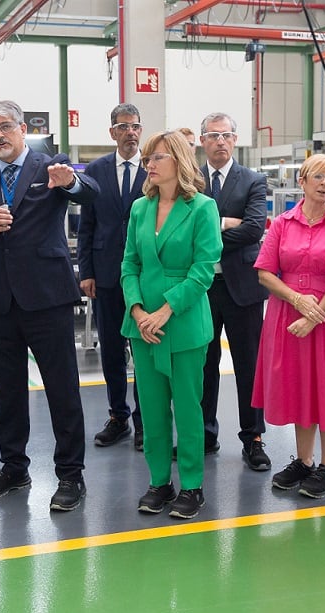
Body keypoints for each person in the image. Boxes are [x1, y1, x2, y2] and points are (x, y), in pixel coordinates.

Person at [0, 99, 98, 512]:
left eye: (5, 127)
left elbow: (91, 193)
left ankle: (71, 474)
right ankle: (14, 468)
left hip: (48, 299)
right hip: (0, 301)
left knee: (62, 390)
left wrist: (69, 182)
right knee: (9, 393)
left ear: (21, 130)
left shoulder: (50, 167)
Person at [252, 154, 325, 499]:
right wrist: (298, 301)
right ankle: (304, 460)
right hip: (288, 316)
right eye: (318, 176)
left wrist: (314, 314)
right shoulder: (283, 224)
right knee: (300, 386)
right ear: (302, 181)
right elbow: (265, 273)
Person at [124, 131, 220, 520]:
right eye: (147, 158)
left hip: (182, 325)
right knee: (151, 409)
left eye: (156, 157)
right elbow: (129, 263)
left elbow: (203, 270)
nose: (148, 164)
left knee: (187, 408)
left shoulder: (202, 208)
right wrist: (136, 311)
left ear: (179, 160)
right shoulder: (139, 209)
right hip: (142, 325)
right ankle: (159, 481)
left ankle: (192, 486)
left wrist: (165, 310)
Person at [197, 112, 271, 472]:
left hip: (243, 288)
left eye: (226, 135)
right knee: (202, 365)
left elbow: (255, 229)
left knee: (249, 366)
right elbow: (185, 231)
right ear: (202, 141)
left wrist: (208, 229)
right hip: (201, 288)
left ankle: (253, 437)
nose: (220, 141)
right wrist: (227, 224)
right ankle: (205, 435)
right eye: (213, 136)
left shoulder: (253, 180)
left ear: (235, 139)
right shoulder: (192, 180)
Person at [77, 103, 146, 450]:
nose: (130, 132)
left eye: (135, 126)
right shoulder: (96, 170)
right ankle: (118, 416)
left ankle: (144, 419)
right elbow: (86, 226)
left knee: (144, 349)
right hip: (105, 274)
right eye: (123, 127)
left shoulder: (154, 169)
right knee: (112, 350)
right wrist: (86, 271)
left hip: (146, 277)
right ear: (112, 132)